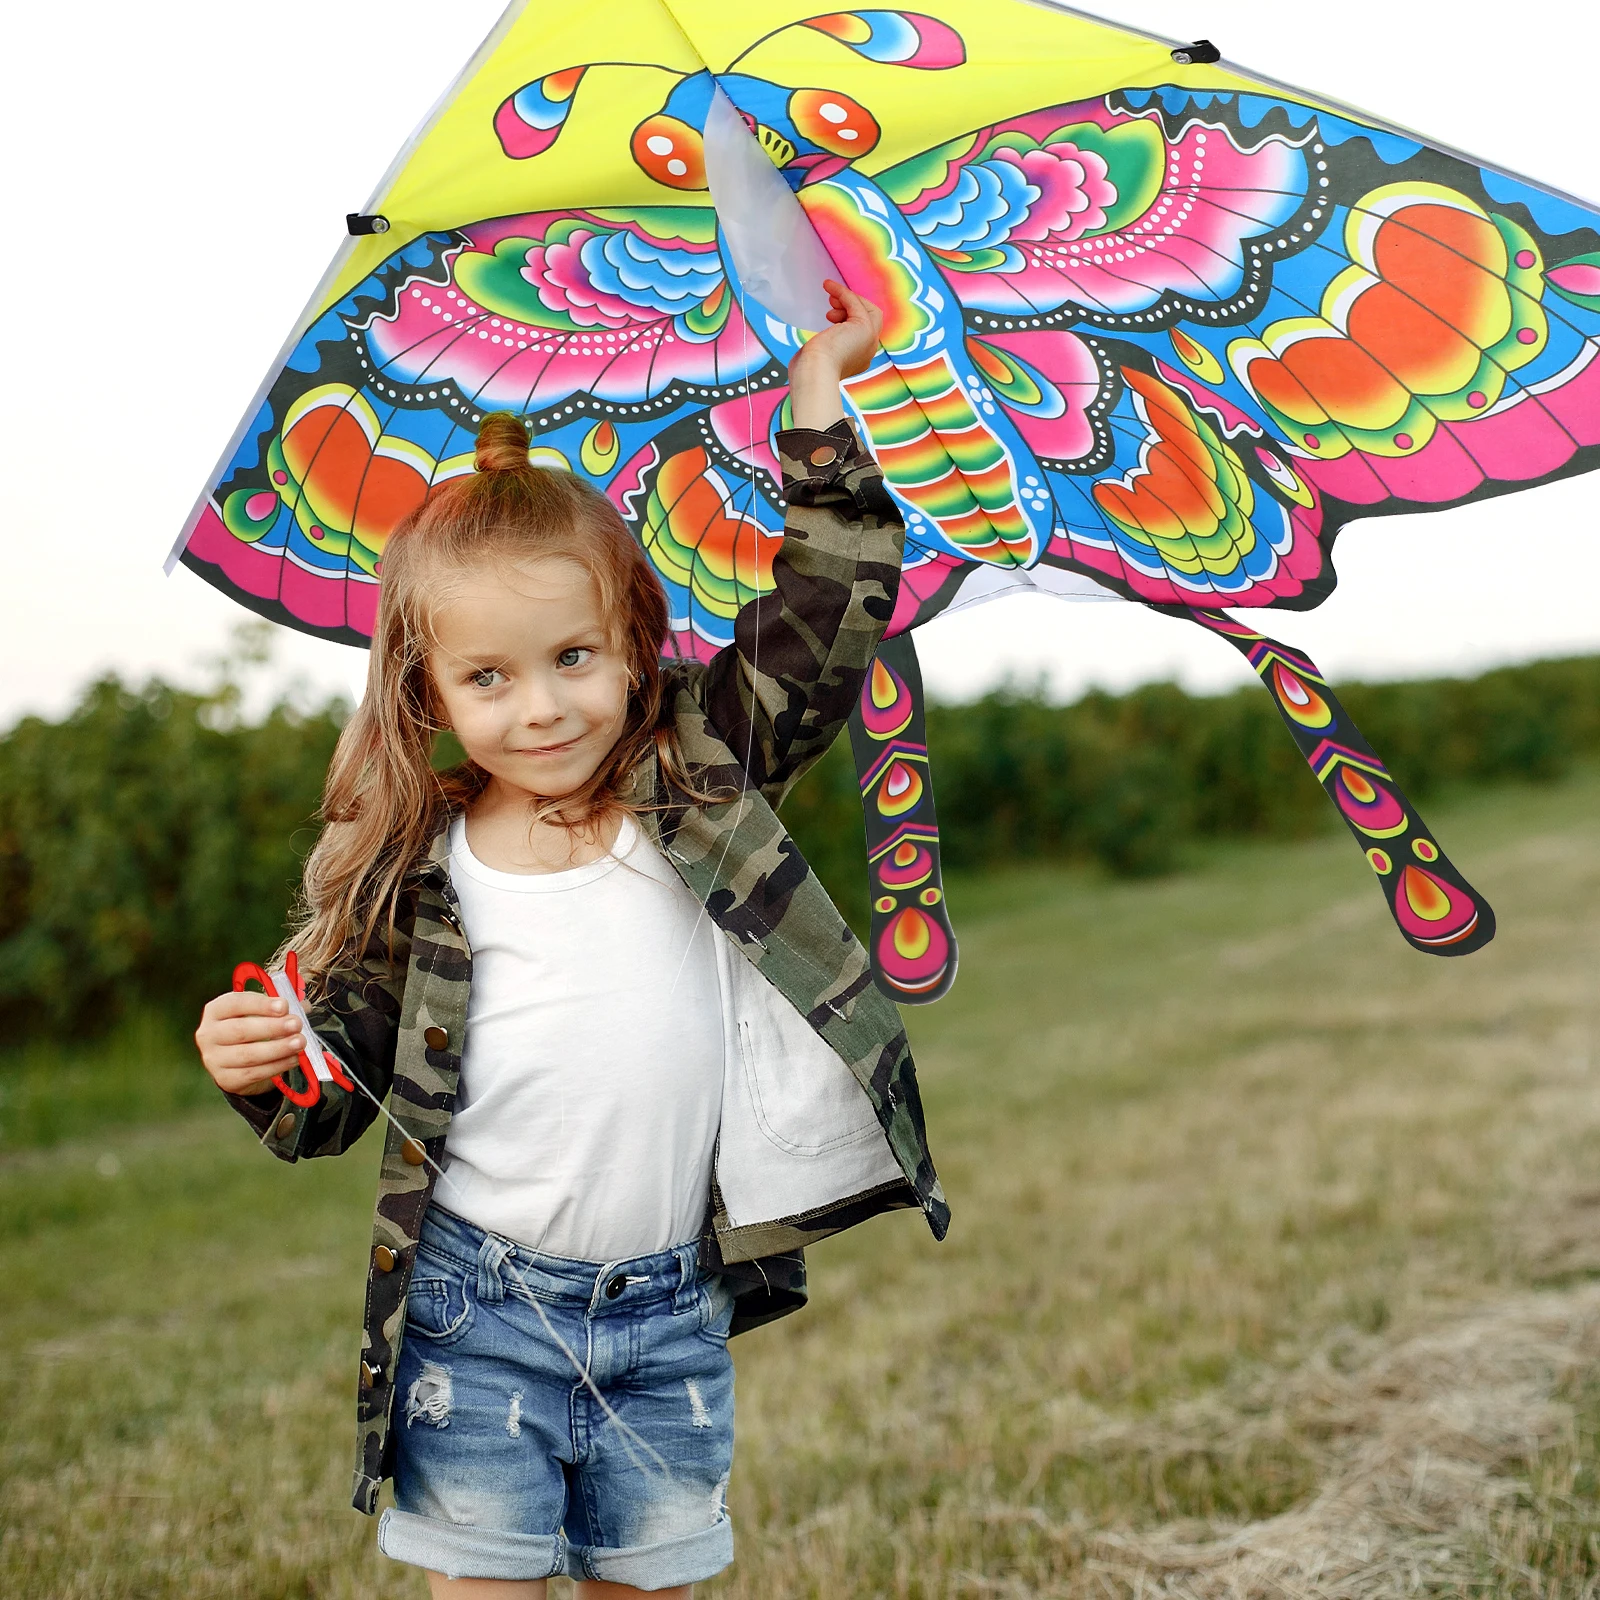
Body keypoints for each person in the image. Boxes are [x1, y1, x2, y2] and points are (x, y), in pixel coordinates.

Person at [193, 280, 948, 1598]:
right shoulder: (417, 870)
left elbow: (831, 601)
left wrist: (819, 395)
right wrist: (261, 1063)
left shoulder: (700, 774)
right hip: (475, 1310)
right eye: (488, 678)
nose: (540, 708)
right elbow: (336, 1097)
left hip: (669, 1309)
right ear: (428, 689)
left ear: (637, 644)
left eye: (574, 658)